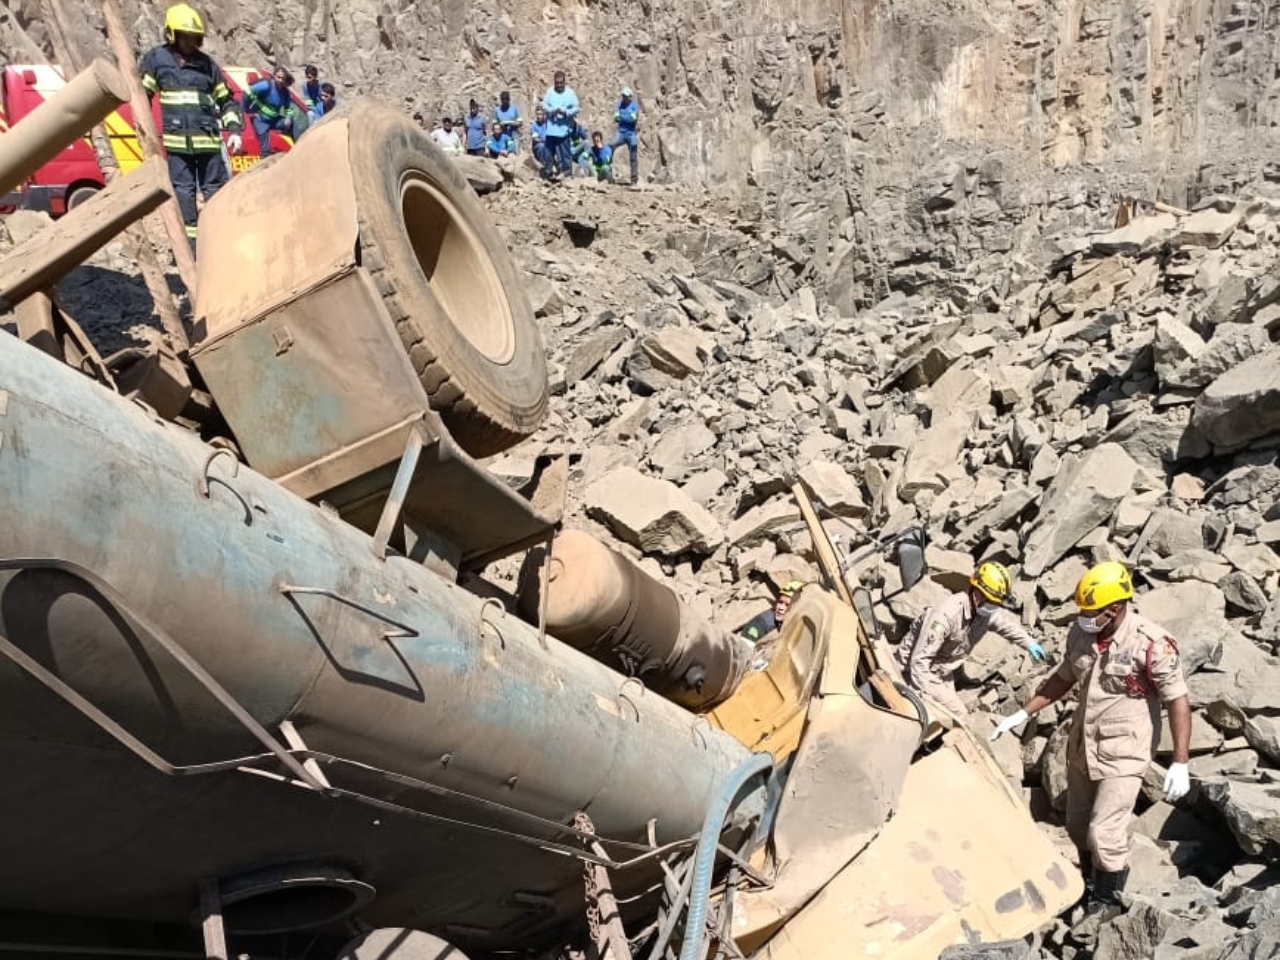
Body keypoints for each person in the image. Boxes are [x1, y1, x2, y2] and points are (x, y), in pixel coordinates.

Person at [991, 561, 1192, 915]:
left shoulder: (1152, 644)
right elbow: (1064, 676)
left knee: (1105, 833)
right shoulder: (1082, 634)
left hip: (1126, 752)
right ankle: (1087, 884)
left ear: (1114, 608)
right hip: (1084, 748)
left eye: (1090, 610)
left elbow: (1177, 699)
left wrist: (1180, 761)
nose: (1083, 616)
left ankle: (1107, 900)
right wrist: (1025, 711)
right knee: (1077, 826)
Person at [139, 4, 243, 248]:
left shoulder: (207, 65)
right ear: (173, 34)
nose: (189, 42)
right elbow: (141, 96)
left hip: (208, 143)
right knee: (183, 194)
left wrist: (235, 131)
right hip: (177, 147)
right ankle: (193, 250)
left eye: (193, 37)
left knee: (215, 191)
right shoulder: (157, 60)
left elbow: (227, 100)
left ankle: (221, 243)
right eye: (185, 36)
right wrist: (144, 135)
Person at [894, 561, 1047, 718]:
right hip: (914, 670)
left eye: (996, 602)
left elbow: (1007, 627)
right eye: (991, 601)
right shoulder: (946, 615)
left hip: (942, 670)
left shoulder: (984, 612)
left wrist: (1030, 643)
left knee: (948, 711)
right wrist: (920, 696)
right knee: (959, 714)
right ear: (976, 592)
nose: (993, 606)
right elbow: (919, 662)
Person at [243, 65, 295, 157]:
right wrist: (247, 111)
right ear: (274, 76)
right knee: (265, 149)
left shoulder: (285, 92)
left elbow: (289, 109)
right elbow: (247, 92)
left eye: (283, 78)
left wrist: (288, 118)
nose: (280, 80)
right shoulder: (267, 85)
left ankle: (294, 147)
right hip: (260, 119)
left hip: (274, 120)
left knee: (291, 124)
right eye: (278, 77)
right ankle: (264, 158)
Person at [540, 70, 579, 179]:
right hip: (551, 129)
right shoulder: (550, 92)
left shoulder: (570, 93)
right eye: (557, 83)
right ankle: (548, 172)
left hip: (564, 129)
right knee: (548, 152)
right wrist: (552, 111)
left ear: (564, 82)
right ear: (554, 82)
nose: (559, 85)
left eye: (561, 83)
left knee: (565, 153)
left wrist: (566, 112)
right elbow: (544, 105)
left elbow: (576, 108)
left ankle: (567, 173)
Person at [610, 86, 640, 185]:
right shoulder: (619, 105)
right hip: (621, 132)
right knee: (610, 146)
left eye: (626, 96)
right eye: (623, 96)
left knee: (633, 155)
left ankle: (634, 179)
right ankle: (608, 175)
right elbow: (616, 118)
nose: (624, 98)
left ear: (630, 96)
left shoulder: (634, 105)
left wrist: (623, 117)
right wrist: (627, 117)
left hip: (631, 133)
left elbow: (633, 119)